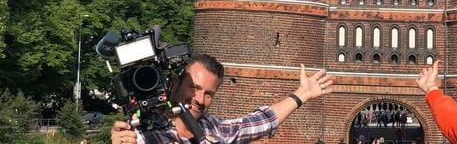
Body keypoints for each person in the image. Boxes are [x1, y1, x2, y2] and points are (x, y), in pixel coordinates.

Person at [111, 54, 333, 144]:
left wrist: (302, 94)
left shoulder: (216, 131)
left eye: (209, 94)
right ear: (175, 84)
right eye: (194, 88)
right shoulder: (143, 134)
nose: (200, 99)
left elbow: (261, 122)